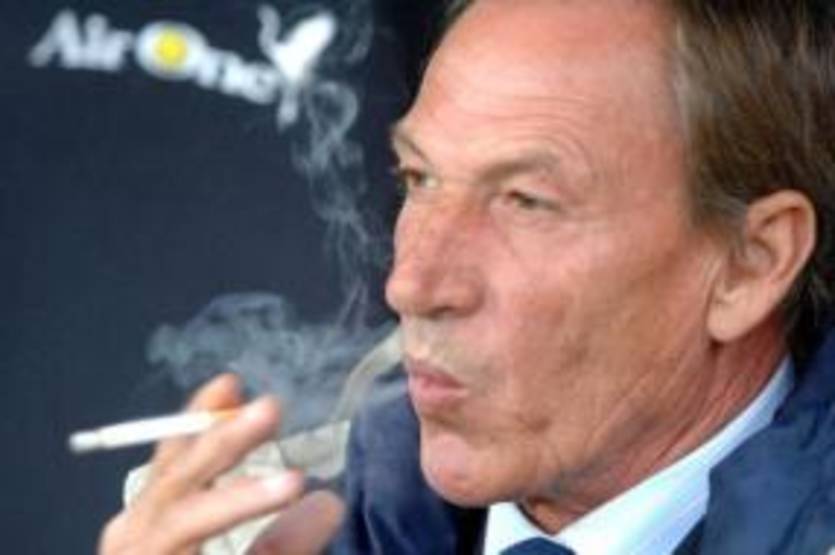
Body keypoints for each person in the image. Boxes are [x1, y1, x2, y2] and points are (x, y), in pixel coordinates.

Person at [99, 0, 835, 553]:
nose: (411, 286)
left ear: (751, 263)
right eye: (418, 179)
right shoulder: (246, 531)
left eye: (525, 200)